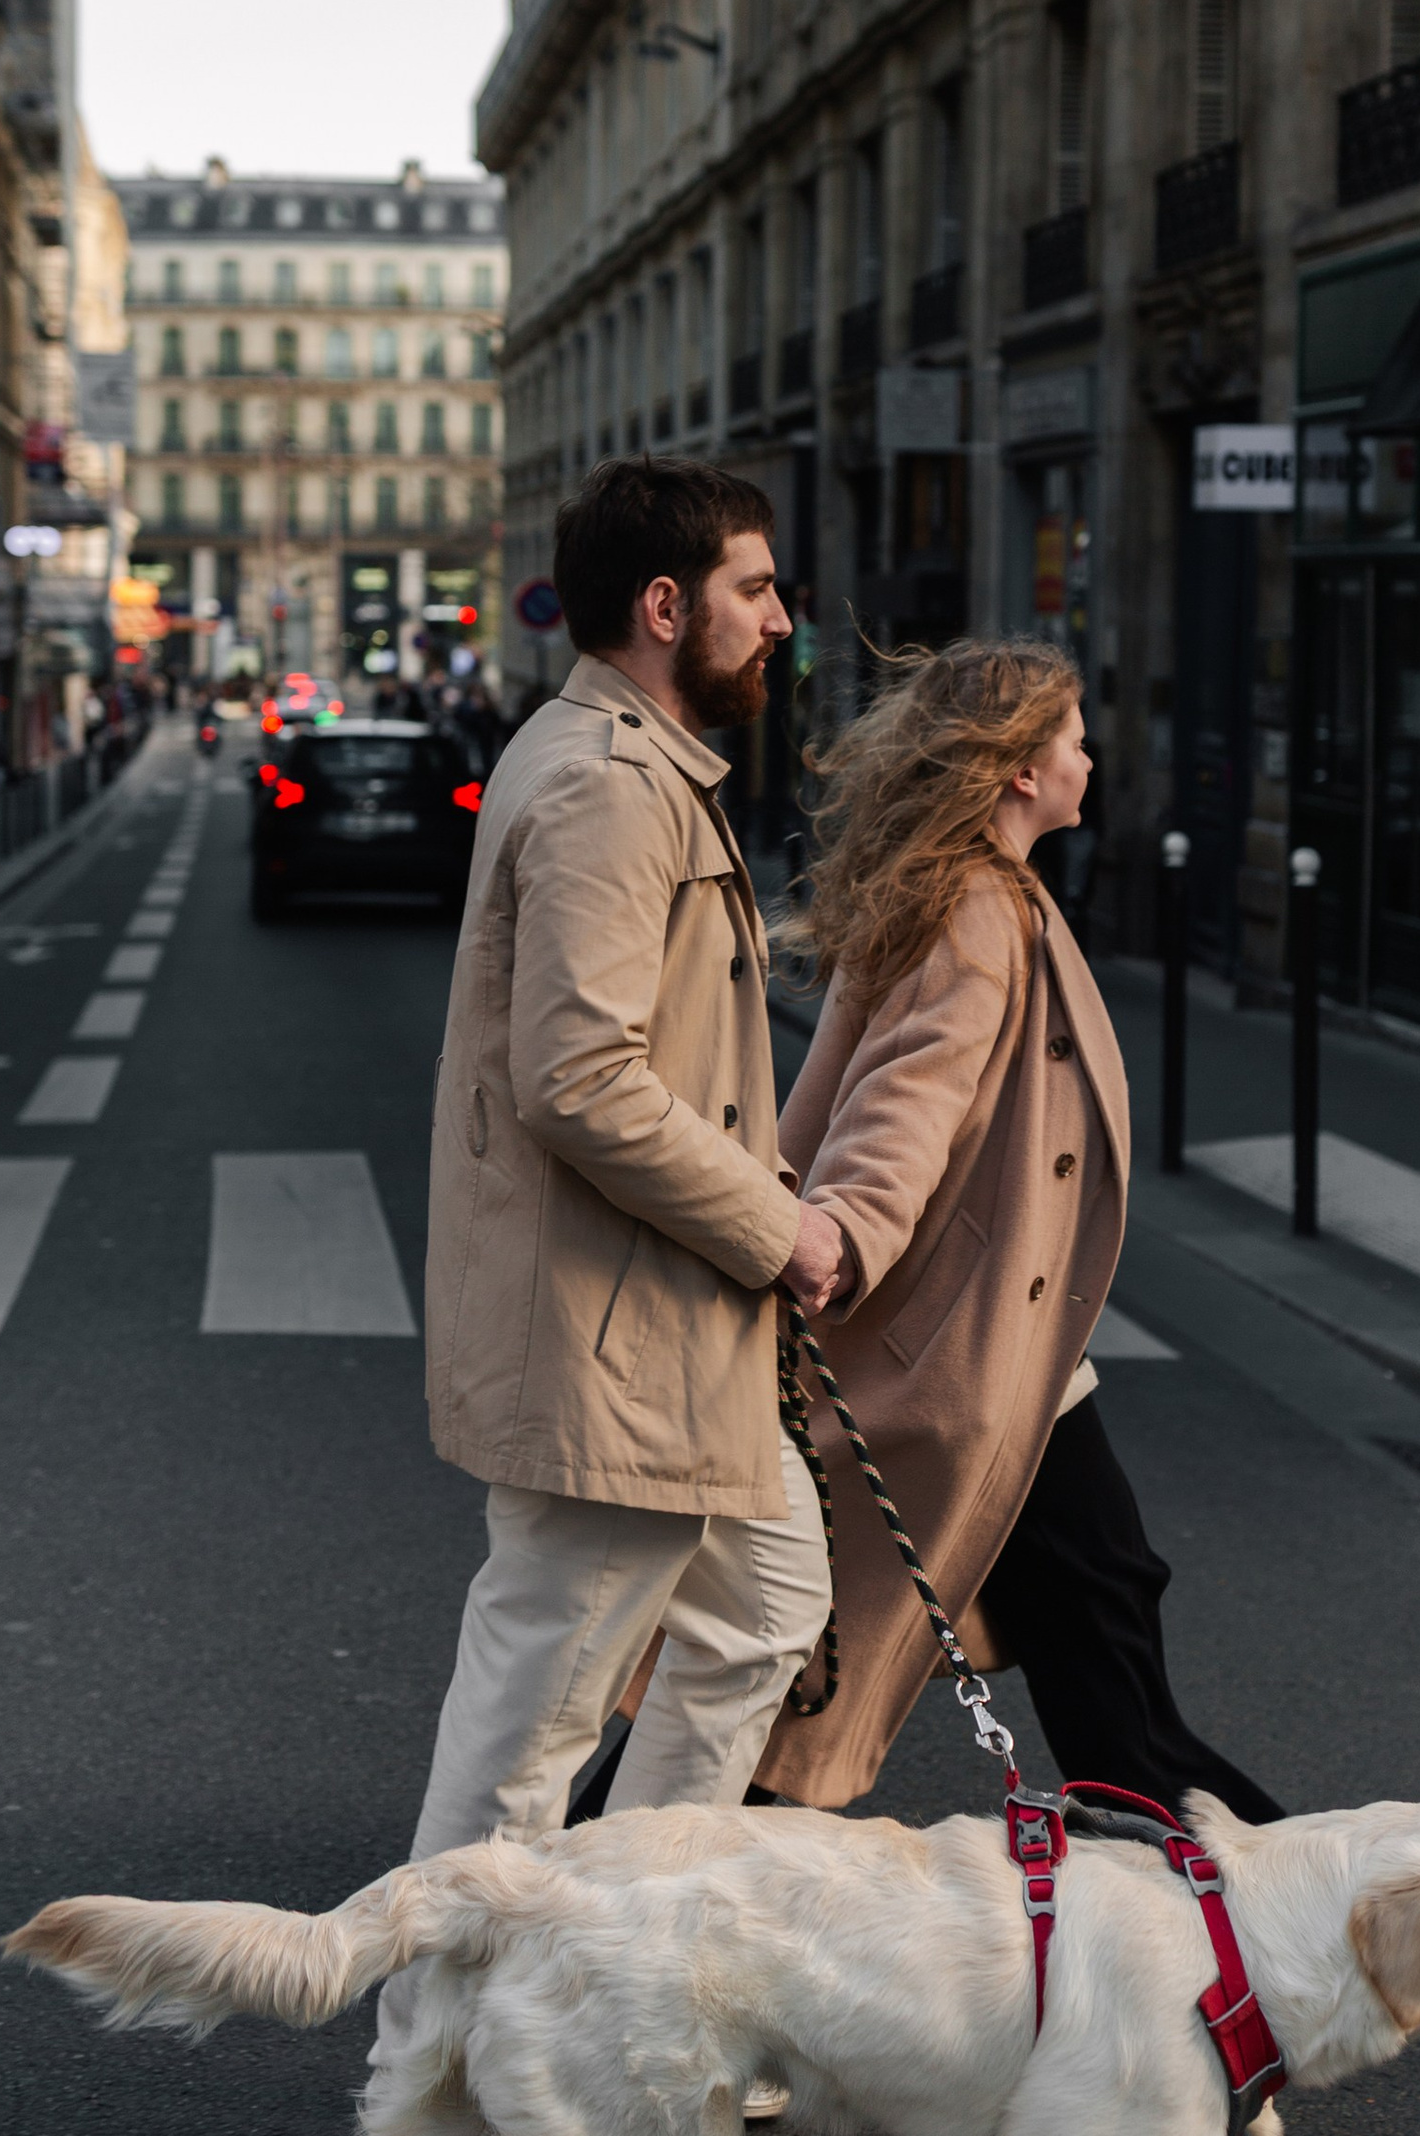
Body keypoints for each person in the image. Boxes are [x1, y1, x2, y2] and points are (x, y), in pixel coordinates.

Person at [757, 636, 1283, 1826]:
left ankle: (1234, 1903)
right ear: (1017, 769)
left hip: (1011, 1349)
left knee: (1098, 1630)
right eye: (1075, 737)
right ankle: (1295, 1907)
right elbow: (901, 1107)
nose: (1090, 758)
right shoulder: (974, 915)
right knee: (1088, 1645)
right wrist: (836, 1233)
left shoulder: (963, 888)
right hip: (970, 1352)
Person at [407, 455, 840, 1868]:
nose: (783, 618)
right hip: (617, 1337)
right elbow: (581, 1079)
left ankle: (627, 1959)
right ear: (666, 604)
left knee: (763, 1611)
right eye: (756, 587)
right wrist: (778, 1228)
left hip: (670, 1326)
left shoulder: (637, 762)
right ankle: (437, 2046)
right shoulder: (606, 782)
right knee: (534, 1722)